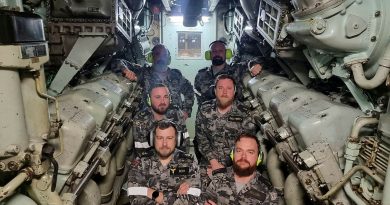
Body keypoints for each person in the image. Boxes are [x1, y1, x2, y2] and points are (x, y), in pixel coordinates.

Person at [127, 120, 201, 205]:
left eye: (169, 138)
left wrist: (150, 192)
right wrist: (176, 195)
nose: (164, 144)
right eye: (160, 138)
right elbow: (134, 196)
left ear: (177, 139)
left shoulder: (189, 162)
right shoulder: (140, 161)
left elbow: (194, 197)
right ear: (152, 139)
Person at [195, 74, 258, 172]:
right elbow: (201, 139)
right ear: (215, 91)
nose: (224, 92)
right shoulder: (205, 109)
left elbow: (248, 145)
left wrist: (227, 169)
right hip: (209, 162)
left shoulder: (245, 112)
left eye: (229, 88)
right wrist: (214, 163)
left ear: (234, 91)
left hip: (236, 163)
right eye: (220, 88)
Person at [117, 44, 194, 119]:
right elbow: (117, 62)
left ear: (168, 59)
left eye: (164, 55)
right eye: (157, 54)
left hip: (175, 122)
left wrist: (186, 110)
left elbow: (189, 90)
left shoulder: (176, 76)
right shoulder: (143, 73)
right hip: (151, 123)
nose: (161, 58)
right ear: (152, 57)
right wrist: (125, 70)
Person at [202, 134, 280, 205]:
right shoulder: (218, 177)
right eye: (239, 151)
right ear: (233, 154)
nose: (243, 157)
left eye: (250, 152)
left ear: (259, 158)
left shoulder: (268, 193)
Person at [194, 40, 263, 105]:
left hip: (231, 115)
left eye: (220, 51)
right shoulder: (200, 75)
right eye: (214, 51)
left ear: (226, 53)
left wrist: (253, 65)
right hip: (207, 115)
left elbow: (252, 62)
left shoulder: (236, 70)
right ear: (209, 55)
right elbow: (201, 96)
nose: (217, 53)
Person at [133, 83, 189, 157]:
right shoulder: (140, 119)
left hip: (175, 160)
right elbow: (142, 153)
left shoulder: (177, 114)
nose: (162, 102)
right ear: (149, 100)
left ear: (170, 98)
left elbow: (184, 144)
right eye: (158, 97)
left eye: (166, 97)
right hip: (150, 163)